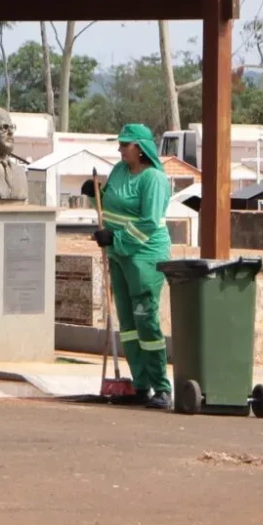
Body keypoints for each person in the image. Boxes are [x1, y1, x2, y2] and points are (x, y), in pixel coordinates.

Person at [93, 122, 173, 410]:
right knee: (127, 323)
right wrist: (94, 195)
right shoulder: (118, 170)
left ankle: (161, 387)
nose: (120, 148)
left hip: (144, 256)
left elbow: (149, 222)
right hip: (118, 255)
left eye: (125, 144)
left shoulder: (153, 179)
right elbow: (111, 205)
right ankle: (140, 385)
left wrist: (116, 237)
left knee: (145, 320)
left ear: (140, 148)